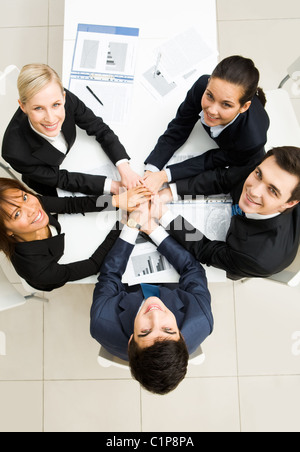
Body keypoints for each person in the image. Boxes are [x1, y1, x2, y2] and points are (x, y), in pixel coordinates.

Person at [90, 208, 213, 395]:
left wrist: (131, 227)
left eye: (145, 331)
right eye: (168, 329)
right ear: (181, 336)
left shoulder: (102, 320)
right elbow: (192, 270)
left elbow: (110, 276)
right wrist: (151, 228)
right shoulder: (201, 318)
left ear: (131, 340)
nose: (155, 313)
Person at [150, 147, 300, 280]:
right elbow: (223, 178)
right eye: (258, 174)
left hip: (236, 258)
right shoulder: (264, 168)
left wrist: (165, 216)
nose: (253, 191)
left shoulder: (257, 257)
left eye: (272, 190)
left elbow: (205, 250)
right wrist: (171, 192)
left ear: (289, 203)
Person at [1, 64, 142, 196]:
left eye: (56, 105)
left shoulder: (62, 98)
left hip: (78, 158)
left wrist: (124, 167)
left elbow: (98, 127)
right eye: (38, 108)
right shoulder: (14, 152)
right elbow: (61, 179)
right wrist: (112, 186)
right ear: (22, 106)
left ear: (63, 97)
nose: (50, 118)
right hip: (50, 182)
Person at [143, 55, 270, 194]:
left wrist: (164, 175)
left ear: (244, 107)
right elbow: (180, 126)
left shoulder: (253, 139)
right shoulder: (201, 86)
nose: (212, 110)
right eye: (210, 96)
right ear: (208, 83)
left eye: (226, 104)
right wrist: (151, 171)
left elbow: (213, 160)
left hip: (244, 154)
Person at [0, 177, 151, 291]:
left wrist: (117, 201)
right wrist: (123, 223)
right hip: (49, 276)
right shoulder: (37, 269)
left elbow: (69, 204)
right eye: (17, 214)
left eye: (24, 197)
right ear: (7, 231)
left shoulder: (32, 204)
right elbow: (93, 265)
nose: (32, 209)